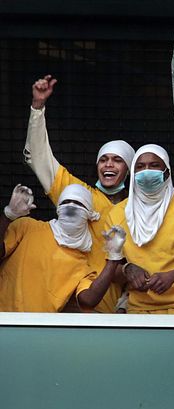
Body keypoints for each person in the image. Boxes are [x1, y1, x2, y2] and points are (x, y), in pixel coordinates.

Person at [24, 74, 133, 313]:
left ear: (129, 169)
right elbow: (40, 158)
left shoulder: (138, 209)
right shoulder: (79, 194)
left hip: (120, 309)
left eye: (117, 161)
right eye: (103, 160)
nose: (108, 165)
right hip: (73, 305)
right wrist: (38, 108)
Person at [107, 145, 174, 314]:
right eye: (140, 167)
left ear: (167, 172)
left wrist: (173, 276)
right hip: (139, 309)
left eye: (154, 165)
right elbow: (111, 269)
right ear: (132, 174)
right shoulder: (117, 214)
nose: (146, 171)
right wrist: (128, 270)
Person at [0, 184, 125, 312]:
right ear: (58, 208)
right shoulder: (27, 227)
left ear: (88, 213)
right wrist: (8, 215)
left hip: (37, 328)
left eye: (78, 203)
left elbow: (88, 300)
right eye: (66, 202)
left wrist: (114, 258)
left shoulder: (82, 266)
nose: (70, 207)